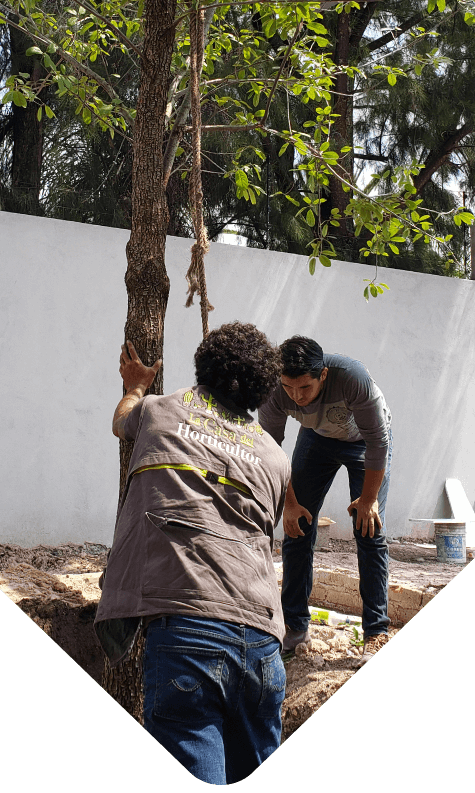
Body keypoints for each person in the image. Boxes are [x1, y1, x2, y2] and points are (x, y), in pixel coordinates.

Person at [94, 322, 291, 786]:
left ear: (204, 365)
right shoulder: (275, 457)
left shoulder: (158, 411)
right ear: (263, 389)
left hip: (188, 636)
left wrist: (136, 385)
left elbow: (121, 420)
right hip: (264, 644)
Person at [257, 335, 393, 665]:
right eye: (289, 388)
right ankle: (294, 627)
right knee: (296, 528)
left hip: (364, 444)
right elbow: (271, 451)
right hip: (316, 441)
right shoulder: (274, 391)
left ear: (324, 376)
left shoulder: (352, 377)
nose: (297, 397)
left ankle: (376, 632)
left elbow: (378, 443)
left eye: (304, 388)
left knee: (369, 531)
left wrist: (369, 499)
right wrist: (288, 504)